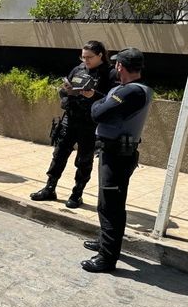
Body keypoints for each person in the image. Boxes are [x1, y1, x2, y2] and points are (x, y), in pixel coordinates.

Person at [81, 47, 153, 272]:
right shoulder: (130, 90)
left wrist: (96, 103)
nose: (114, 67)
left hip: (116, 155)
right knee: (106, 202)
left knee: (111, 205)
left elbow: (98, 114)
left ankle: (107, 257)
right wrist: (103, 100)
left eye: (116, 64)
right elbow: (107, 107)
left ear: (121, 66)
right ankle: (105, 242)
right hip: (115, 152)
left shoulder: (131, 91)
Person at [30, 41, 115, 208]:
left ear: (100, 55)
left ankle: (77, 194)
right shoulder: (78, 69)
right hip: (70, 118)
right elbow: (64, 90)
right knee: (59, 155)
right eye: (83, 57)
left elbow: (112, 100)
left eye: (89, 57)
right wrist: (66, 92)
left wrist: (94, 95)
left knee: (84, 161)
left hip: (90, 124)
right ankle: (50, 188)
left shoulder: (109, 74)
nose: (86, 60)